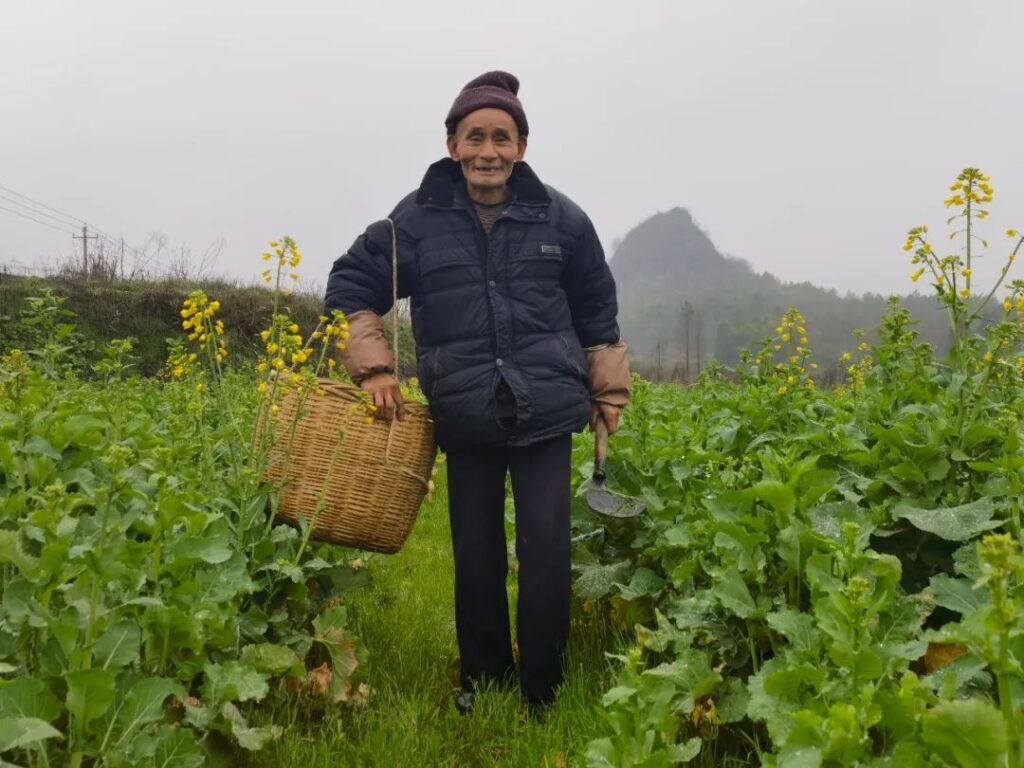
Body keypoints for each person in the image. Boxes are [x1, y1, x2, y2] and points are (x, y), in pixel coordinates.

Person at [324, 70, 630, 712]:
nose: (488, 150)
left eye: (502, 137)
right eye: (474, 137)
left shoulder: (562, 219)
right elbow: (352, 284)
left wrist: (609, 394)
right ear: (451, 144)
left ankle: (544, 688)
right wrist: (376, 367)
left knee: (546, 552)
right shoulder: (414, 221)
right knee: (477, 554)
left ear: (521, 146)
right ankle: (485, 682)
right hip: (465, 413)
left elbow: (597, 310)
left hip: (546, 410)